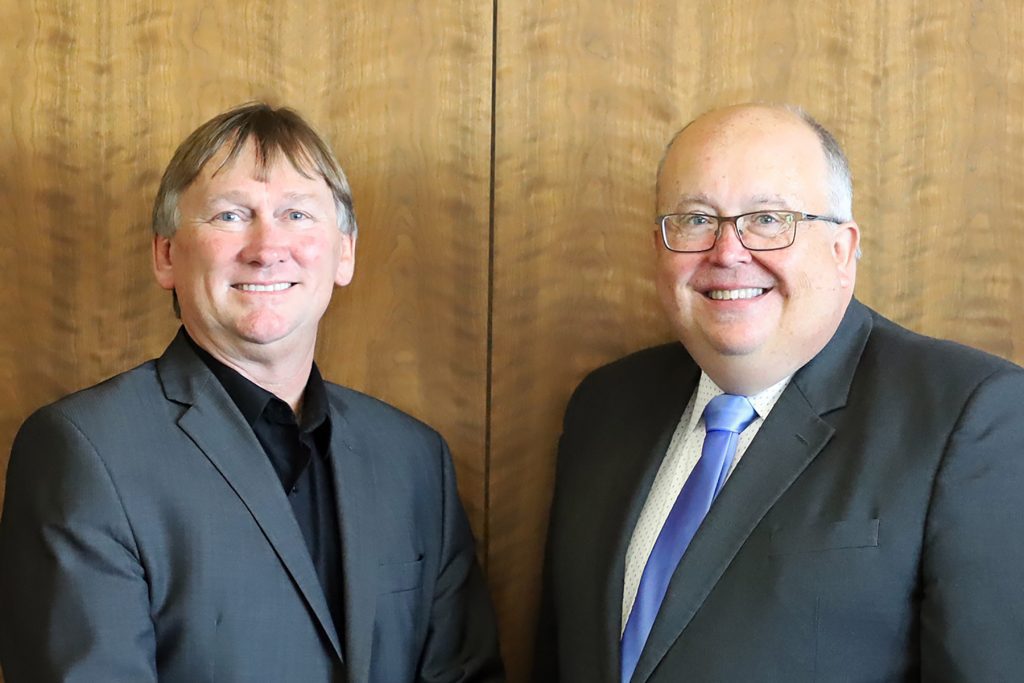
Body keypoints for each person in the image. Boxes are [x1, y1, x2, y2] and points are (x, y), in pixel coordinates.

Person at [0, 102, 504, 682]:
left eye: (296, 214)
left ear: (344, 253)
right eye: (230, 216)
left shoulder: (414, 458)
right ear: (166, 255)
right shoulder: (86, 451)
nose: (267, 248)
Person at [535, 103, 1024, 682]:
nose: (727, 252)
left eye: (768, 219)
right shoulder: (605, 405)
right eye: (695, 219)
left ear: (842, 250)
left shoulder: (970, 414)